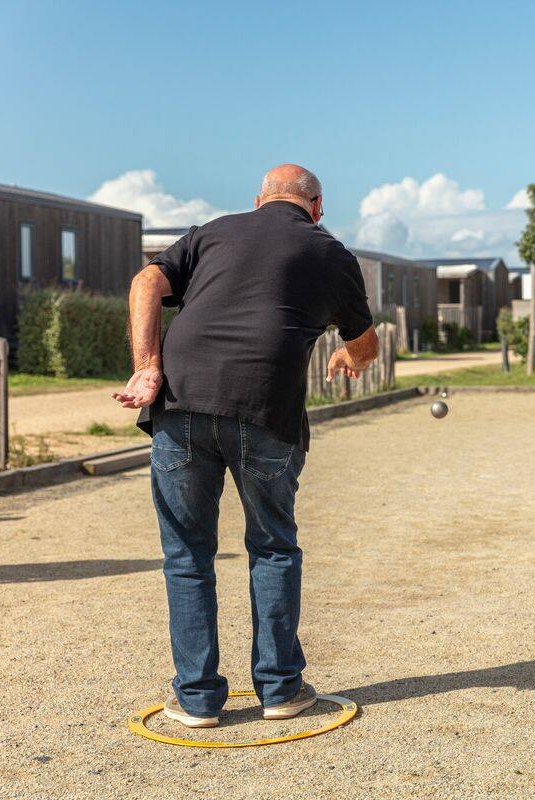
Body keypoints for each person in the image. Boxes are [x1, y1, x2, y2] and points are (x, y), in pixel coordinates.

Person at [112, 164, 377, 728]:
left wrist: (147, 366)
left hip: (180, 401)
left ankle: (198, 698)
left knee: (187, 553)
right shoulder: (330, 253)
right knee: (273, 546)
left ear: (258, 201)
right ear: (318, 206)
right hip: (264, 409)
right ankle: (281, 690)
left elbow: (145, 283)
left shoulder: (213, 231)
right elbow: (365, 343)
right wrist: (348, 357)